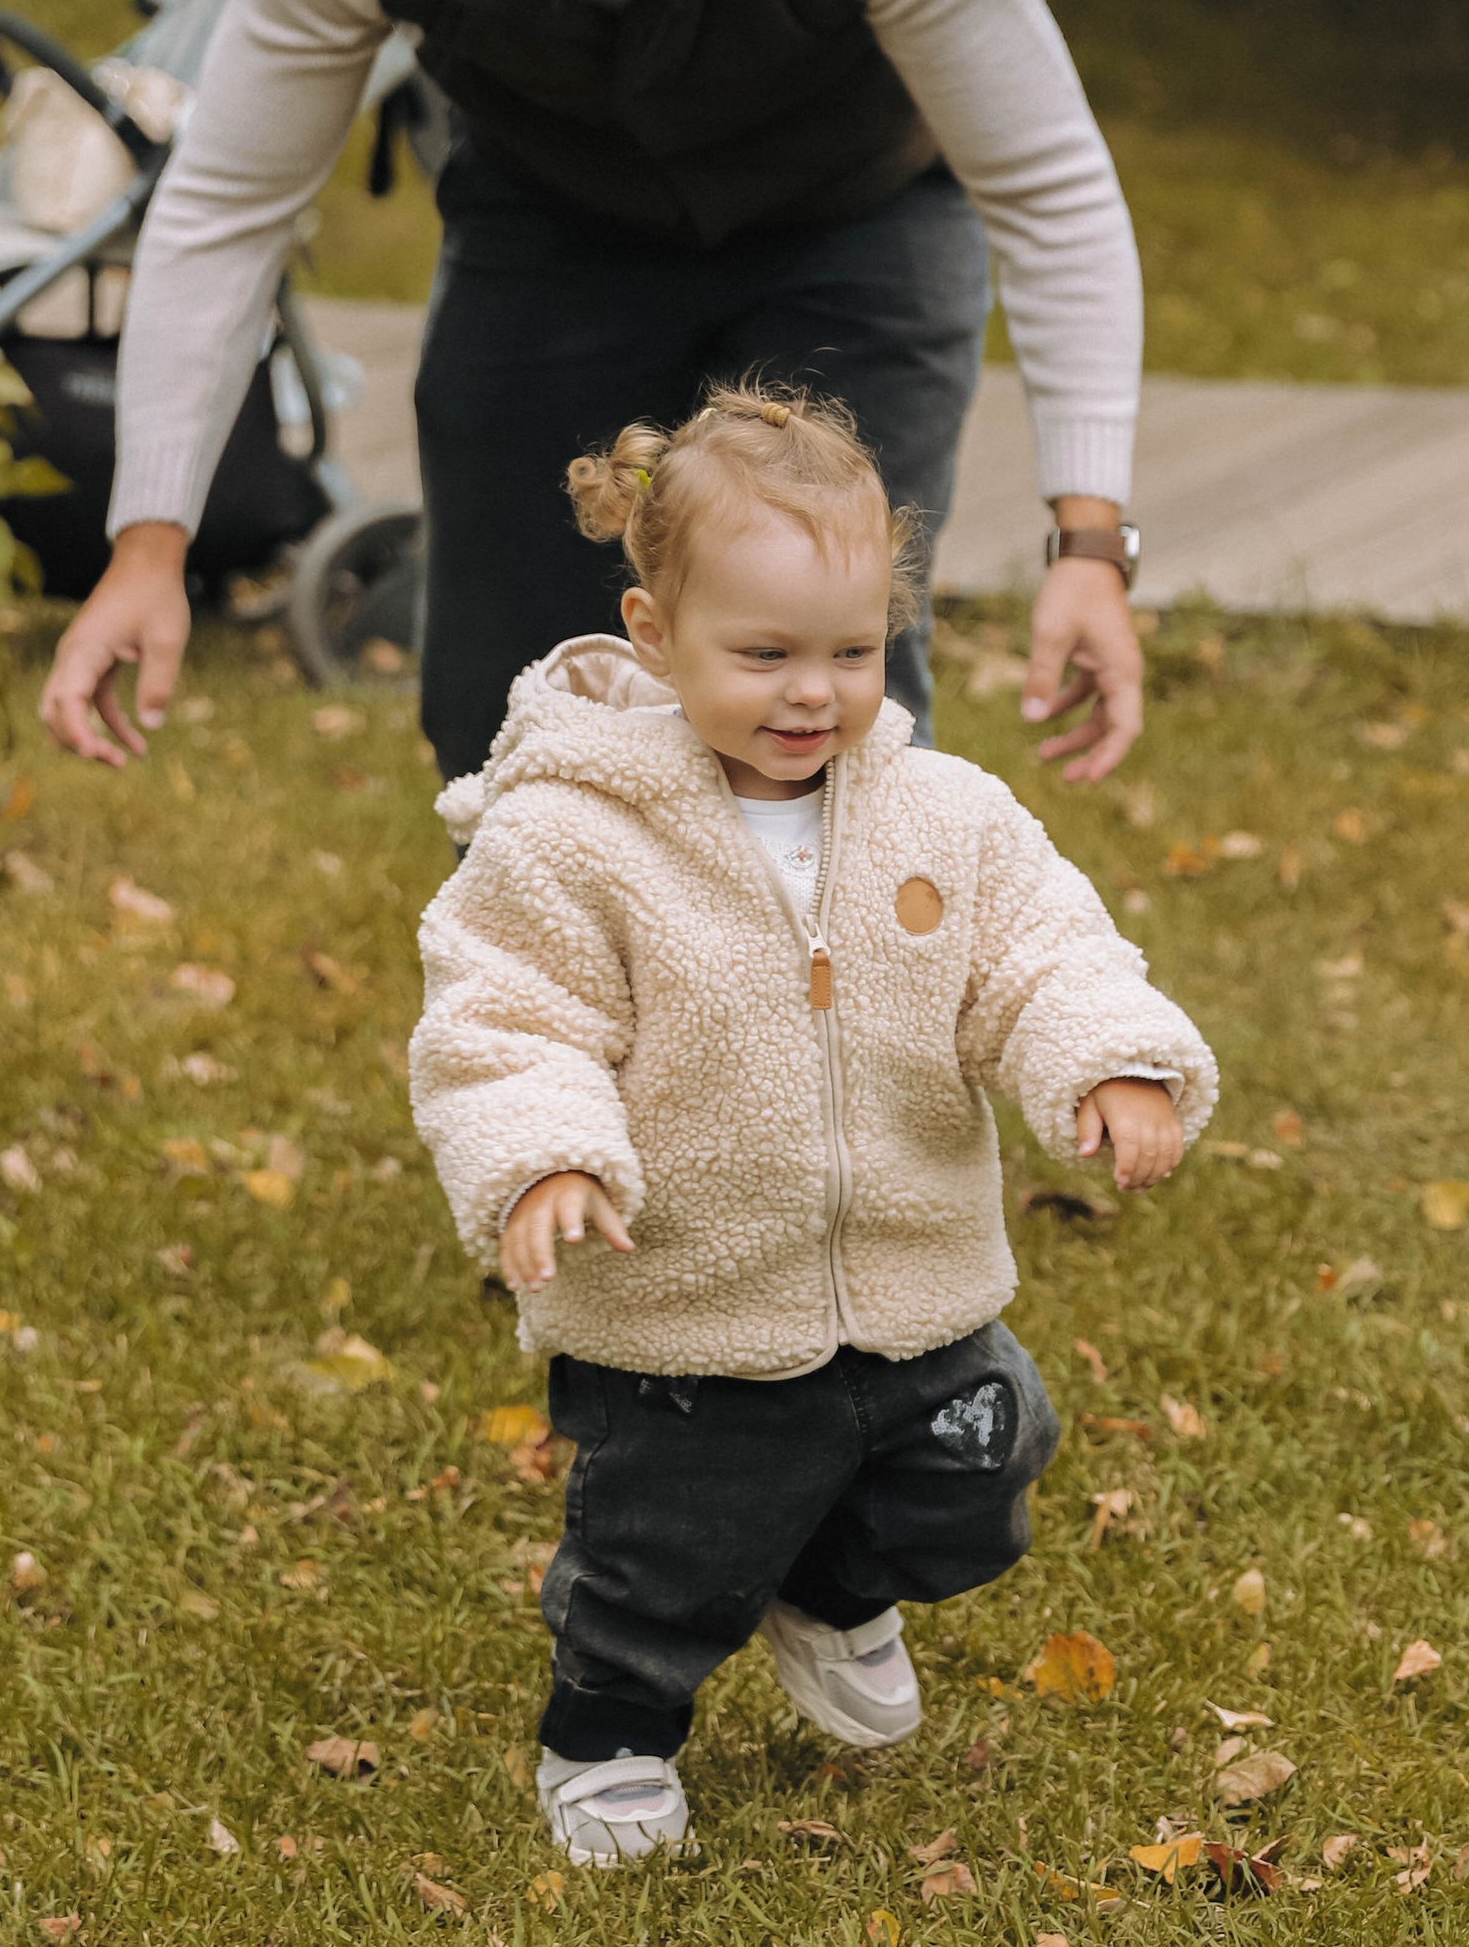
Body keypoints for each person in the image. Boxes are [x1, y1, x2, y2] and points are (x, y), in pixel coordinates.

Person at [39, 0, 1151, 789]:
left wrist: (1088, 542)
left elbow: (1048, 185)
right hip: (549, 214)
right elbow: (228, 205)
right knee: (506, 708)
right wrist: (148, 546)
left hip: (857, 212)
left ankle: (831, 917)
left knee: (822, 710)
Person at [406, 386, 1216, 1866]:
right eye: (764, 654)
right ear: (656, 634)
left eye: (851, 653)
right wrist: (544, 1156)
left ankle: (831, 1589)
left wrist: (1109, 1061)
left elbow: (1041, 954)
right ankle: (608, 1738)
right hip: (685, 1306)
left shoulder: (940, 814)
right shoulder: (570, 838)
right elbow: (508, 1018)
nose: (812, 694)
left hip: (913, 1281)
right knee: (665, 1554)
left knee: (985, 1460)